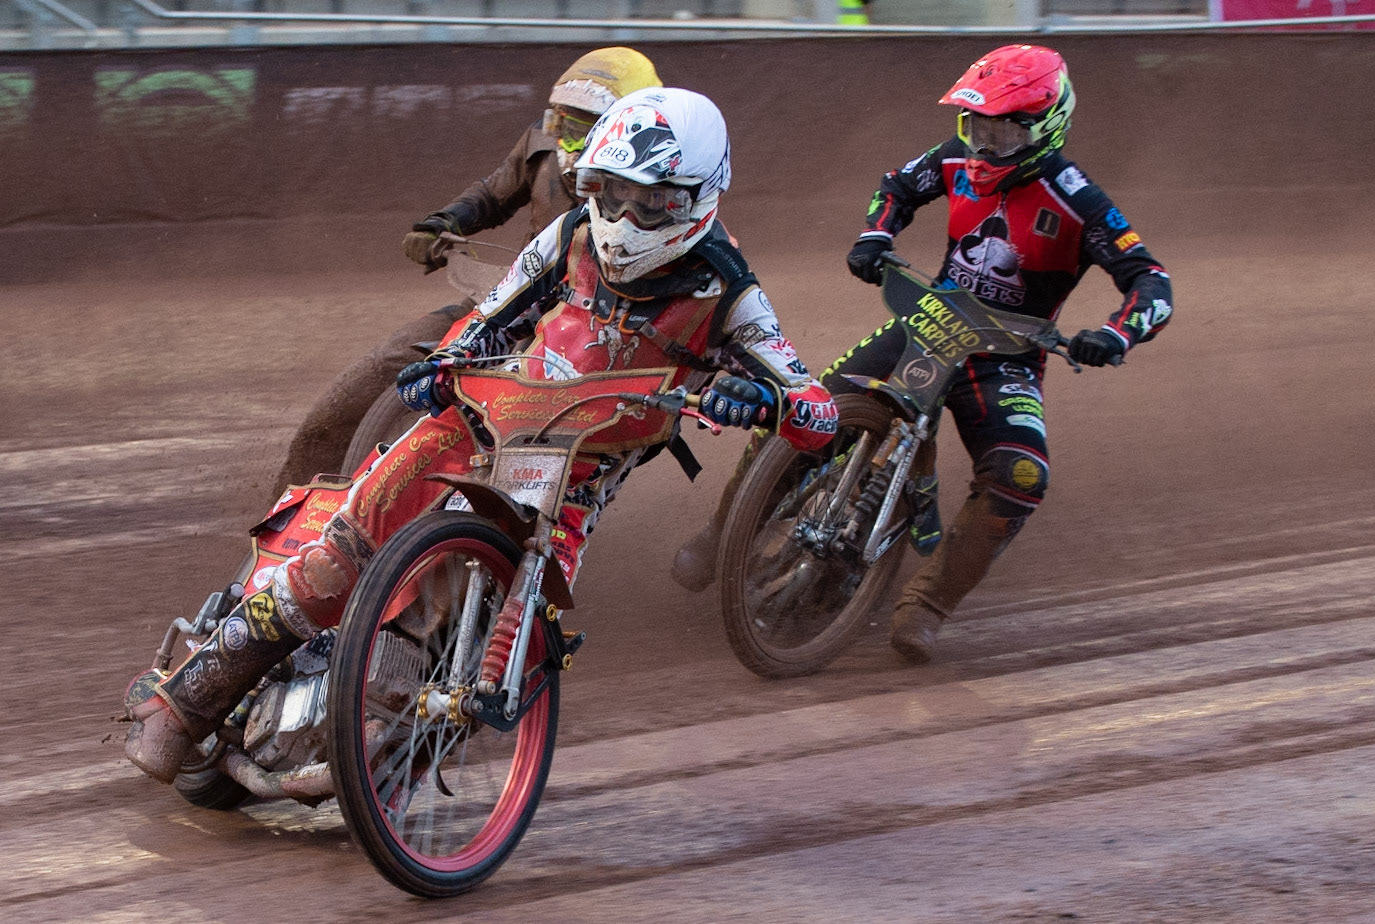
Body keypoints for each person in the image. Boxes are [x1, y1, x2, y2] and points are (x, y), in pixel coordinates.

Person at [126, 87, 840, 783]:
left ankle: (397, 748)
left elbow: (817, 410)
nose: (624, 214)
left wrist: (764, 403)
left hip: (576, 477)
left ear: (696, 196)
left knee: (513, 633)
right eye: (609, 191)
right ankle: (185, 703)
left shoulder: (731, 293)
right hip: (480, 419)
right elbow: (492, 315)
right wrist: (440, 366)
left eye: (649, 200)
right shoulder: (570, 234)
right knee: (338, 556)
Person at [672, 43, 1173, 665]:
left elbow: (1151, 280)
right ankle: (723, 532)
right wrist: (875, 235)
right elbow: (898, 186)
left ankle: (929, 605)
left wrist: (1115, 334)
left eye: (999, 128)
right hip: (926, 321)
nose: (983, 144)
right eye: (975, 125)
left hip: (1005, 357)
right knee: (803, 407)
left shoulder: (1079, 200)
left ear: (1043, 127)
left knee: (1021, 475)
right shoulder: (957, 158)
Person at [271, 47, 662, 493]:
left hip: (588, 331)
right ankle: (286, 507)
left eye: (582, 125)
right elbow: (493, 196)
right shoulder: (541, 142)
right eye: (561, 121)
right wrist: (443, 222)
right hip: (512, 298)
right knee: (379, 371)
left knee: (523, 447)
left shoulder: (662, 185)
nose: (565, 136)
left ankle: (489, 534)